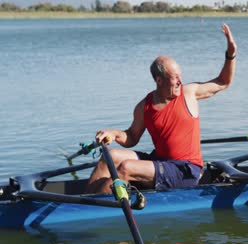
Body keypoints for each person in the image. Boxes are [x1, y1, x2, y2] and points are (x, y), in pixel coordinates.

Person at [86, 23, 237, 194]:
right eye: (175, 78)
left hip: (186, 170)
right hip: (161, 162)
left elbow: (223, 82)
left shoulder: (189, 93)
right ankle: (84, 202)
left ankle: (94, 207)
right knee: (110, 156)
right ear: (159, 80)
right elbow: (132, 137)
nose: (180, 81)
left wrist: (230, 54)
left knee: (127, 167)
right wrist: (112, 133)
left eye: (180, 76)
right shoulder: (144, 106)